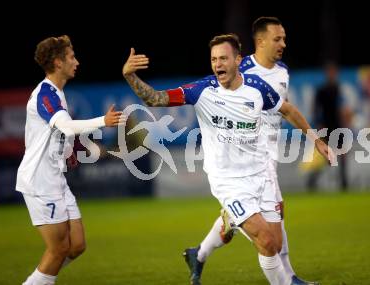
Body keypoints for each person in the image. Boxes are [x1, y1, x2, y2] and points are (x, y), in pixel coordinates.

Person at [122, 33, 334, 285]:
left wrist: (316, 140)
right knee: (265, 240)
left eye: (223, 58)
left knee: (275, 243)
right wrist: (130, 76)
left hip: (260, 175)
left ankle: (205, 246)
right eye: (213, 59)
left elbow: (287, 109)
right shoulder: (202, 90)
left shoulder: (257, 88)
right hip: (229, 182)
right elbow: (155, 98)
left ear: (237, 60)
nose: (217, 64)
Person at [182, 17, 322, 285]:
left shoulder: (282, 71)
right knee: (270, 227)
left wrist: (312, 137)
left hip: (267, 151)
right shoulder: (241, 68)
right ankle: (288, 278)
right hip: (247, 157)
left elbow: (284, 107)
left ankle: (198, 253)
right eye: (277, 38)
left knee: (245, 221)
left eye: (283, 38)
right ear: (261, 42)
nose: (283, 43)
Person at [16, 35, 123, 285]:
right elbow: (65, 126)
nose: (76, 61)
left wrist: (66, 154)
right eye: (71, 57)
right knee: (58, 249)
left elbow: (56, 133)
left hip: (56, 179)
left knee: (76, 246)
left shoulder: (58, 93)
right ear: (57, 62)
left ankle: (39, 279)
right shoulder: (45, 94)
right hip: (40, 182)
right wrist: (102, 122)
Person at [309, 62, 352, 190]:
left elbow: (341, 108)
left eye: (334, 72)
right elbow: (316, 109)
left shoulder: (337, 88)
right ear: (327, 74)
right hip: (326, 127)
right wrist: (319, 124)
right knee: (326, 157)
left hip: (338, 126)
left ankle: (344, 184)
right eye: (330, 72)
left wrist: (344, 122)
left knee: (343, 155)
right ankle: (312, 181)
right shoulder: (321, 90)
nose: (332, 74)